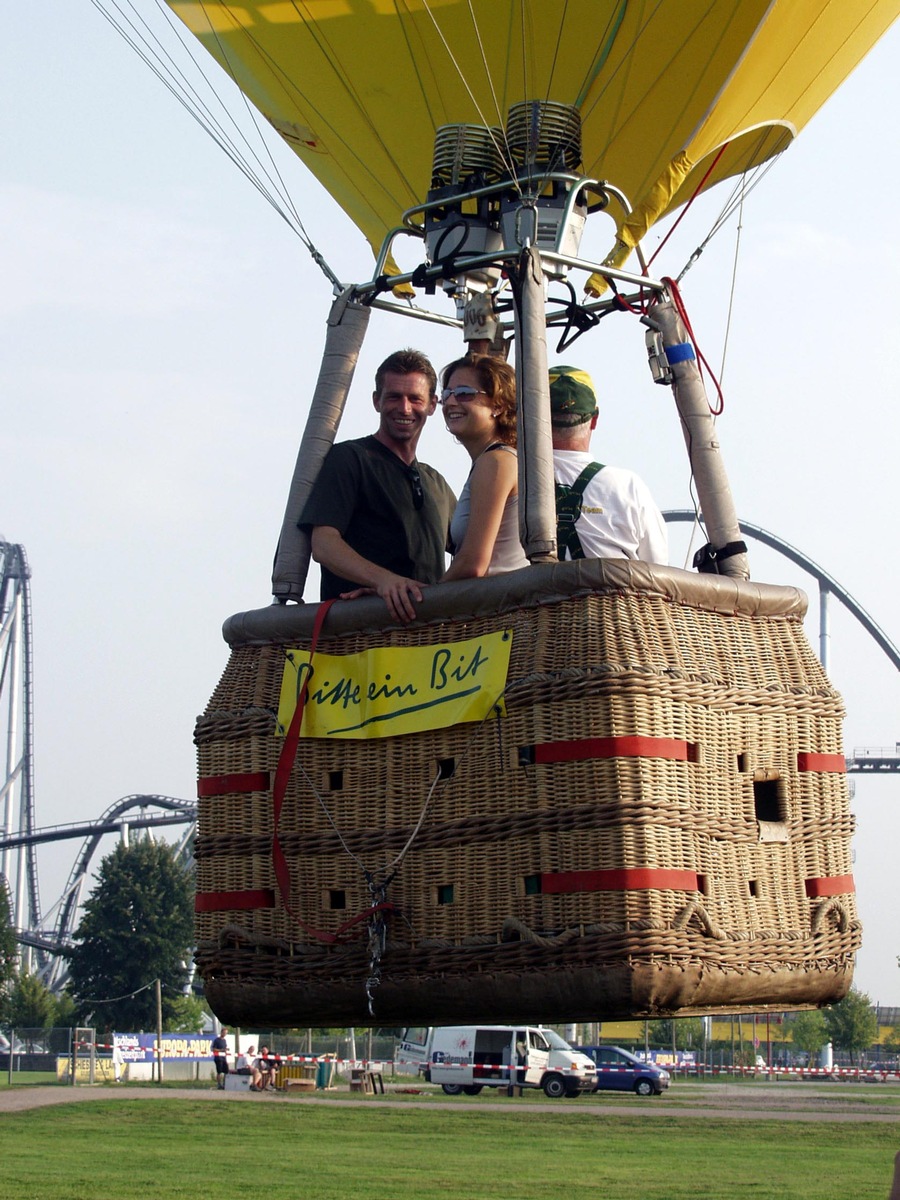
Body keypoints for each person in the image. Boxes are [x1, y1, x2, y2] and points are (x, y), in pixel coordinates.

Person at [300, 348, 456, 623]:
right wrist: (384, 581)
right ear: (376, 401)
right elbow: (324, 543)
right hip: (361, 637)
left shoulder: (436, 484)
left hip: (429, 639)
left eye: (415, 399)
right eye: (394, 396)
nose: (404, 408)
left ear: (432, 405)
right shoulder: (349, 459)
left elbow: (475, 552)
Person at [549, 364, 667, 564]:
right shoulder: (629, 486)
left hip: (535, 595)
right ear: (594, 420)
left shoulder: (511, 478)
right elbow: (658, 570)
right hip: (613, 595)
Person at [439, 354, 529, 579]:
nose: (451, 402)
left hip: (500, 608)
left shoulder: (496, 462)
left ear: (498, 405)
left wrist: (422, 603)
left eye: (464, 394)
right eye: (447, 394)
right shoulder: (499, 460)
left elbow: (473, 564)